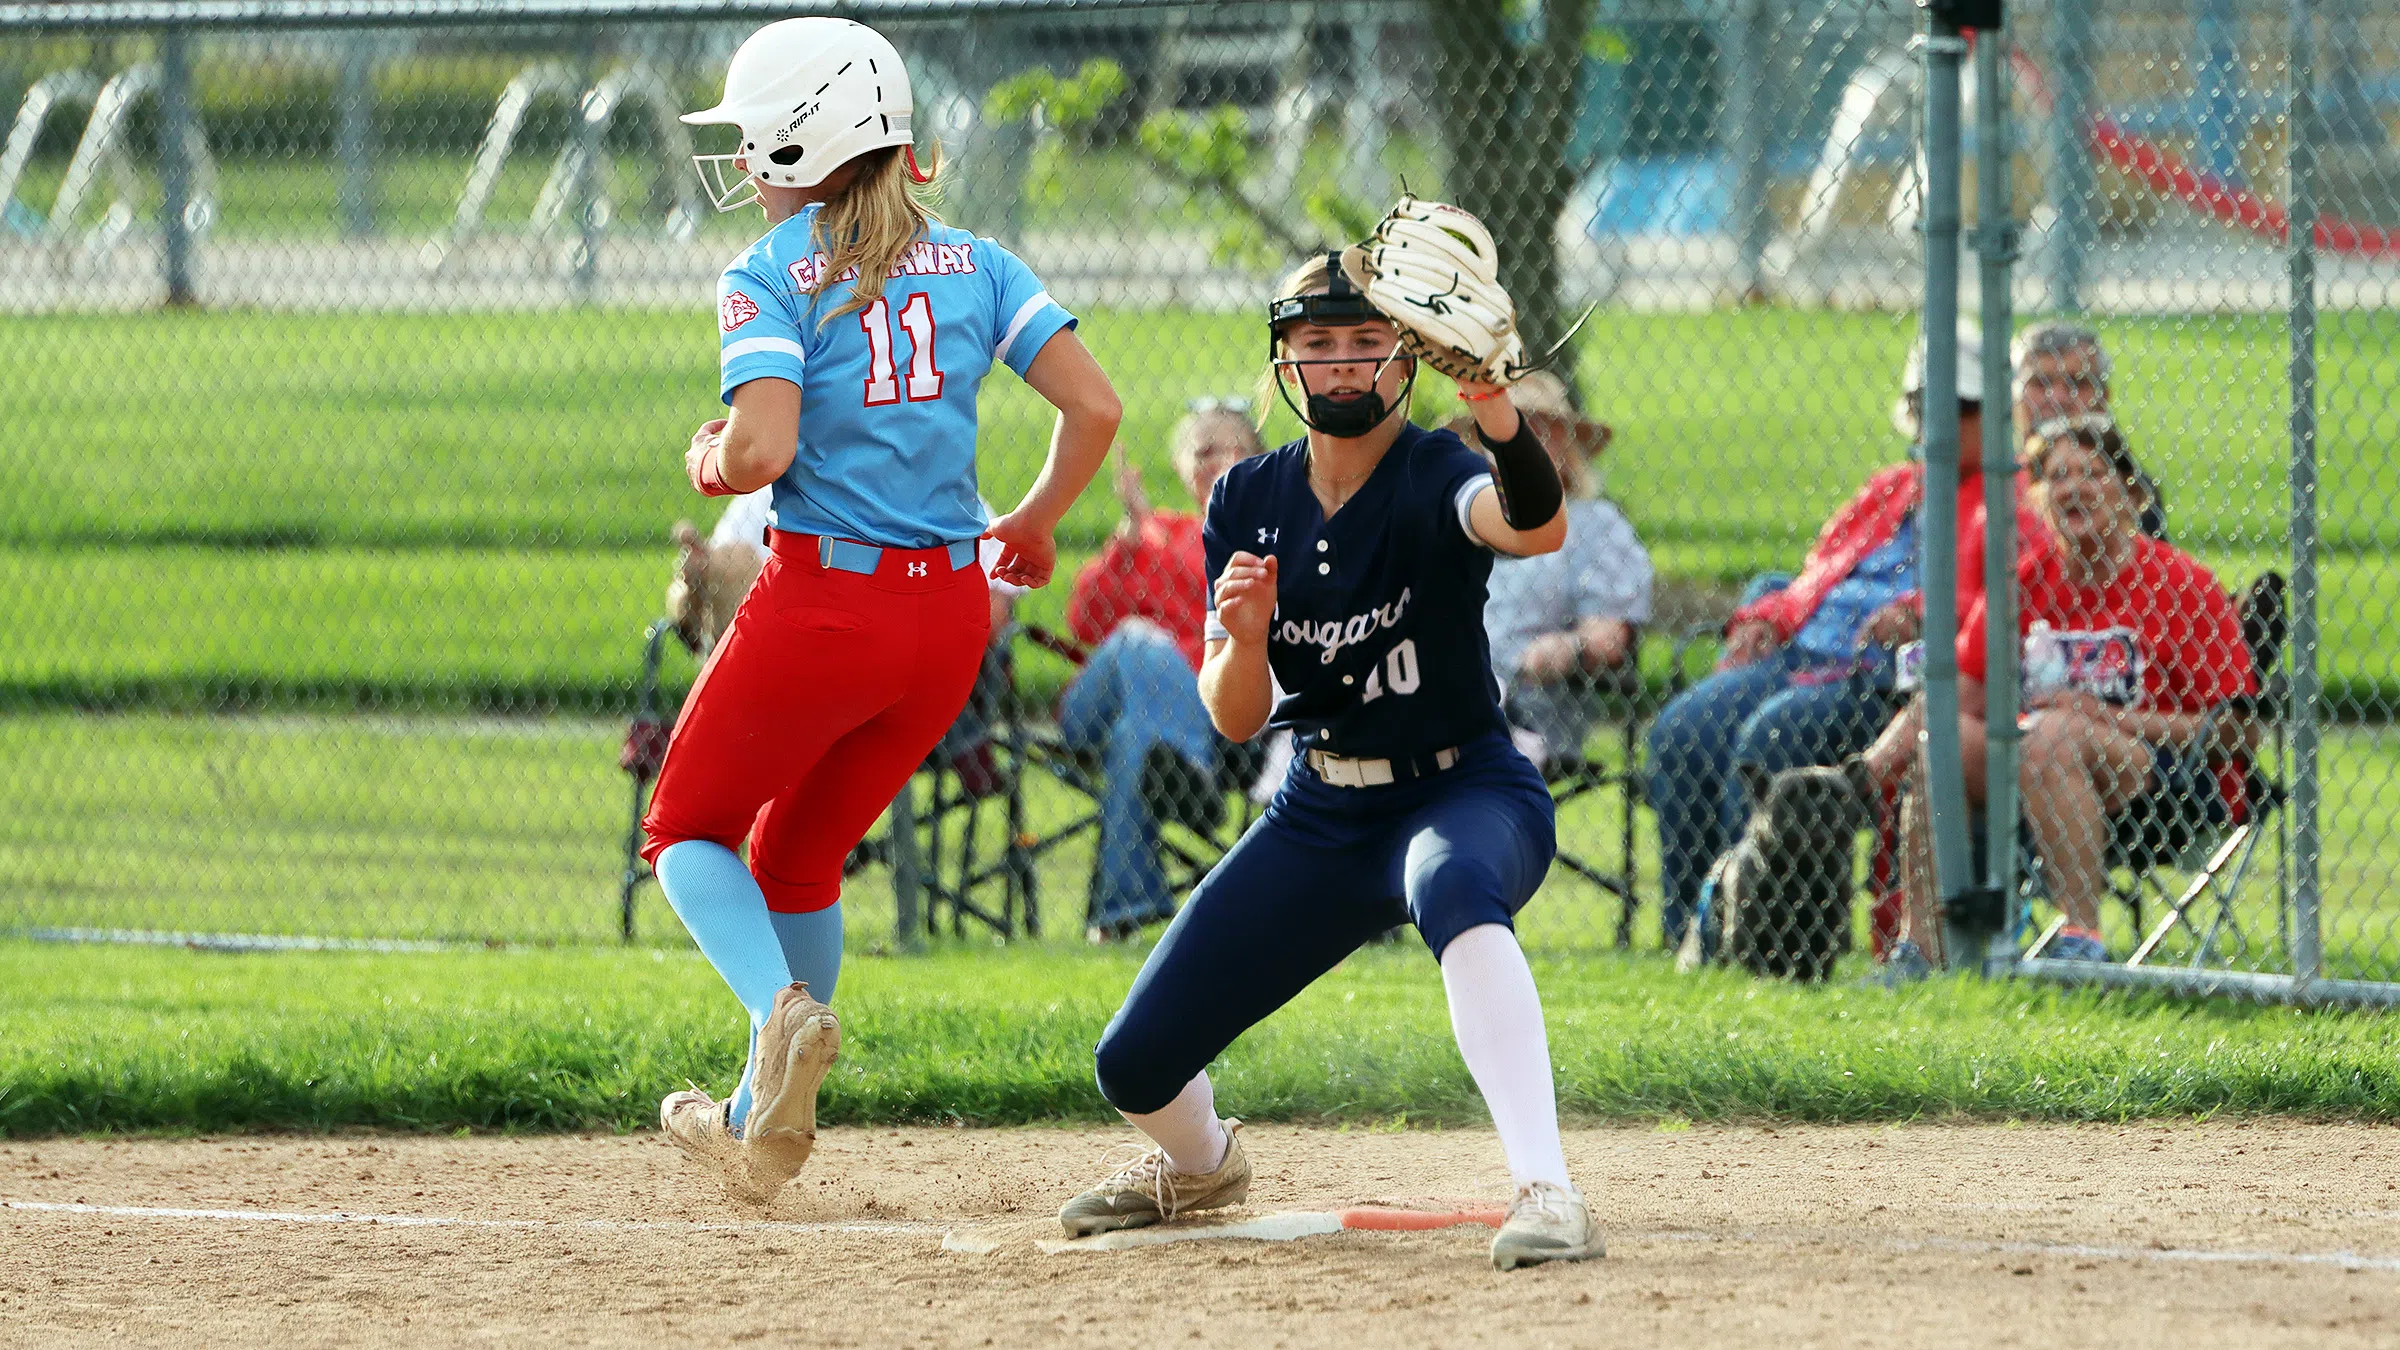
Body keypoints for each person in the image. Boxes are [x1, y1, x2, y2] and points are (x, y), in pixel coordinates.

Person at [640, 17, 1118, 1200]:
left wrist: (708, 460)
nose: (743, 158)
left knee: (685, 832)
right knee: (799, 855)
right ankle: (758, 1126)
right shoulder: (979, 262)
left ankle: (782, 1013)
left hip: (826, 605)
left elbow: (762, 449)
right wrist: (1034, 520)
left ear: (799, 148)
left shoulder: (765, 271)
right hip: (949, 618)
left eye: (755, 137)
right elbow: (1096, 409)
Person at [1056, 246, 1602, 1271]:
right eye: (1319, 342)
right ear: (1284, 360)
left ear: (1407, 358)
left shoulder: (1437, 470)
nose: (1343, 362)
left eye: (1366, 340)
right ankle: (1202, 1166)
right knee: (1132, 1064)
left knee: (1452, 883)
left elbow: (1535, 526)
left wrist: (1491, 401)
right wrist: (1244, 639)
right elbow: (1234, 717)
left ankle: (1547, 1187)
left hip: (1464, 789)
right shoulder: (1245, 496)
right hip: (1320, 809)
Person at [1644, 326, 2046, 948]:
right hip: (1803, 652)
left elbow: (2014, 596)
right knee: (1683, 732)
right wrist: (1768, 616)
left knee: (1768, 738)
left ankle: (1763, 933)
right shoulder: (1890, 488)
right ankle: (1692, 930)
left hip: (1883, 679)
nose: (1939, 420)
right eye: (1926, 404)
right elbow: (1818, 575)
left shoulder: (2015, 497)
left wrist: (1923, 611)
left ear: (1994, 415)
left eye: (1960, 406)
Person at [1863, 419, 2255, 973]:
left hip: (2164, 776)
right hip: (2030, 764)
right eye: (2056, 476)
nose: (2073, 488)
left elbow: (2239, 732)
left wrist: (2107, 718)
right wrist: (1882, 759)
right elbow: (1962, 697)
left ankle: (2080, 941)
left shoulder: (2183, 585)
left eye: (2093, 473)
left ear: (2132, 495)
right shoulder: (2025, 582)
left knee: (2052, 734)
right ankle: (1921, 949)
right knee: (1942, 737)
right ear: (2039, 501)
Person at [1059, 403, 1268, 940]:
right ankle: (1190, 774)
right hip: (1094, 710)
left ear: (1258, 462)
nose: (1219, 461)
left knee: (1136, 737)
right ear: (1182, 465)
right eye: (1205, 451)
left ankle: (1121, 911)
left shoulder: (1264, 543)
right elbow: (1085, 622)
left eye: (1235, 450)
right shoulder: (1154, 533)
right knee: (1135, 640)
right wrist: (1130, 539)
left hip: (1208, 721)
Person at [1467, 370, 1653, 771]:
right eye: (1499, 429)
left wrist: (1568, 648)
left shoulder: (1593, 525)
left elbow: (1608, 637)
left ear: (1564, 445)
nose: (1514, 444)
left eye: (1535, 430)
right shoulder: (1465, 520)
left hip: (1532, 704)